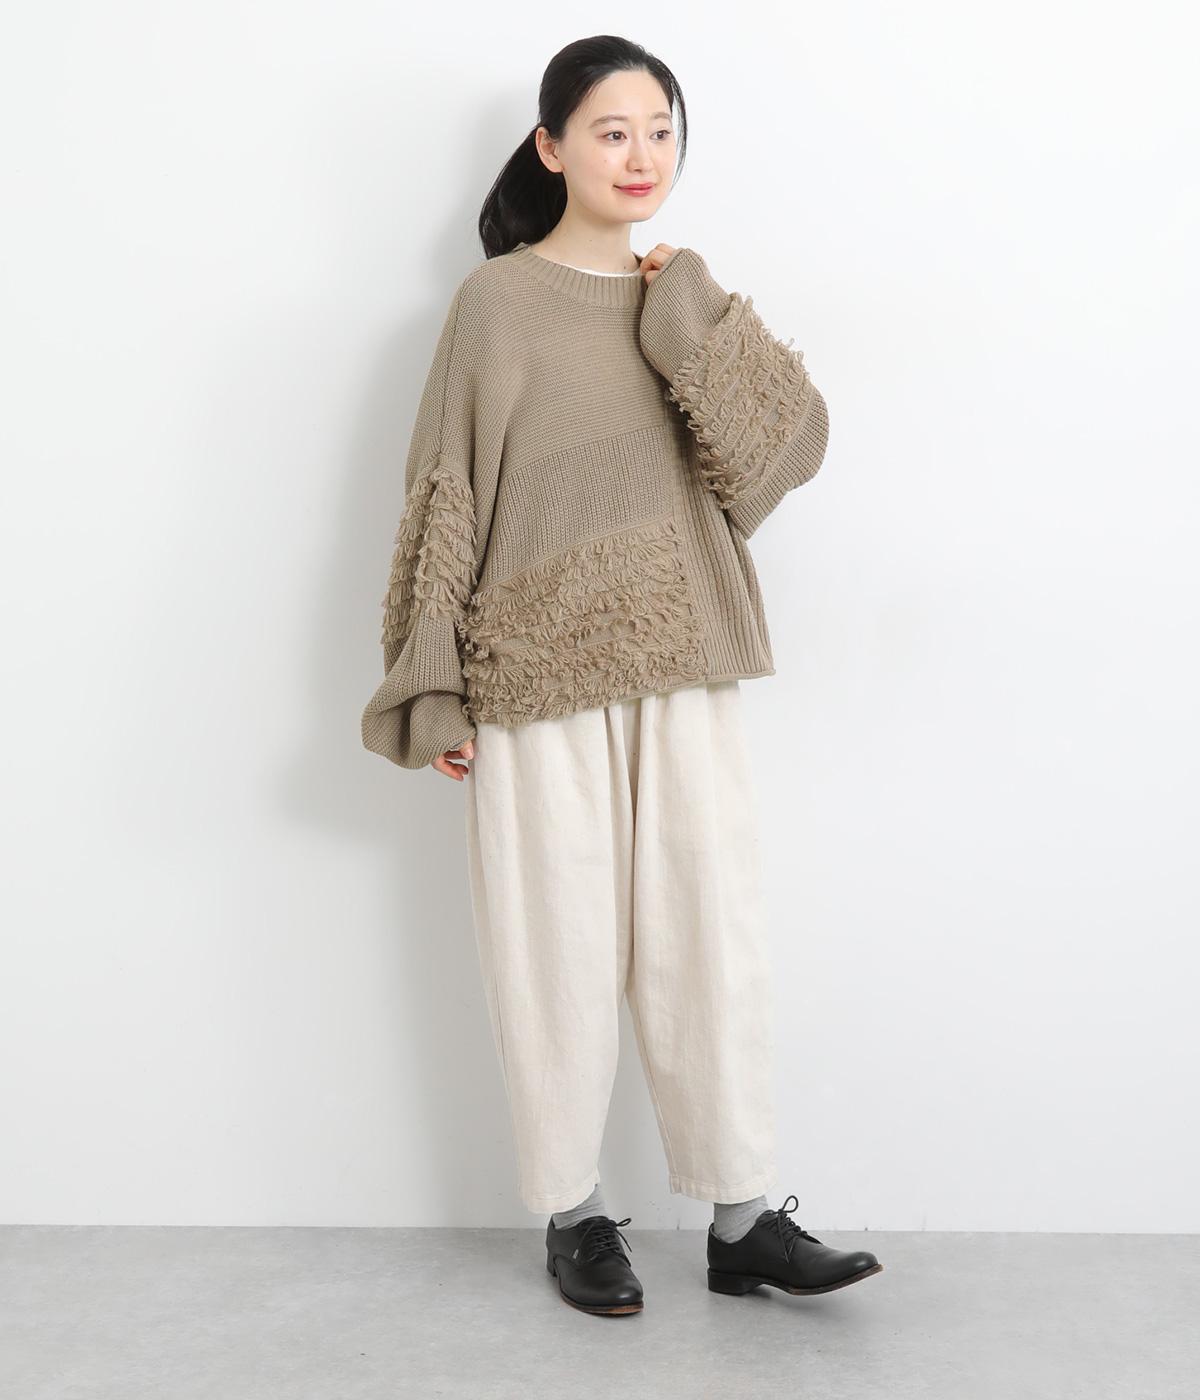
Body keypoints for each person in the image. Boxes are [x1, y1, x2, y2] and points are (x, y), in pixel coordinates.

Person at [360, 34, 883, 1316]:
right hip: (535, 670)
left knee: (710, 931)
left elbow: (784, 455)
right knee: (554, 942)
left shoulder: (682, 294)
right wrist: (437, 684)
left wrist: (685, 309)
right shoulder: (495, 304)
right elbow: (445, 494)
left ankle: (742, 1218)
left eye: (659, 130)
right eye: (611, 130)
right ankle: (575, 1212)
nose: (640, 154)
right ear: (551, 148)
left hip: (682, 658)